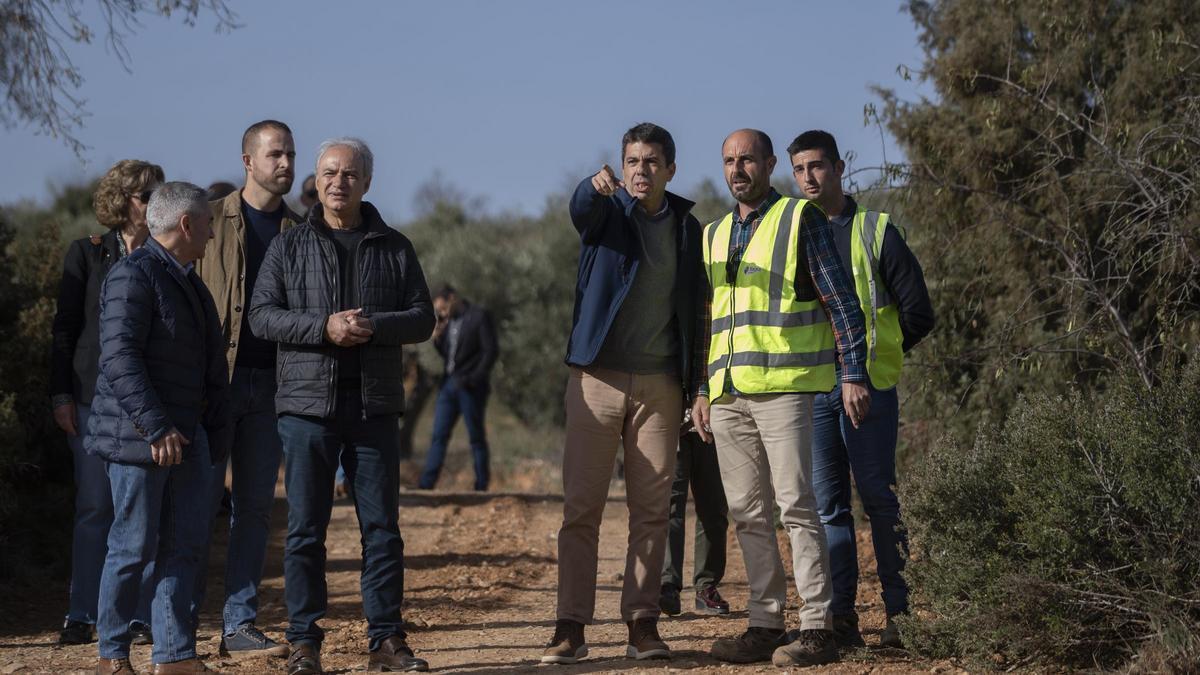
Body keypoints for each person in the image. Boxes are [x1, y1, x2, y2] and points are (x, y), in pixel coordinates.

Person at [249, 137, 434, 675]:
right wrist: (324, 328)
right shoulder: (288, 246)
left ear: (366, 182)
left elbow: (423, 318)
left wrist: (374, 326)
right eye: (329, 173)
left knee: (382, 531)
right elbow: (262, 316)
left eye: (349, 174)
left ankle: (386, 641)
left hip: (374, 409)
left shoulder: (395, 246)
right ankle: (304, 641)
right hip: (307, 412)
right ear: (317, 179)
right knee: (306, 530)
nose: (338, 182)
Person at [691, 129, 869, 667]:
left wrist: (853, 373)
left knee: (797, 506)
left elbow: (843, 303)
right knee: (745, 511)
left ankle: (818, 627)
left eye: (747, 159)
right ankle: (766, 623)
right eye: (728, 160)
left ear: (769, 164)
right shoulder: (713, 234)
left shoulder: (799, 220)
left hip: (788, 391)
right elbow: (708, 322)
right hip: (727, 394)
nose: (736, 168)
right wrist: (701, 389)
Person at [542, 123, 705, 665]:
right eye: (632, 160)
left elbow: (697, 315)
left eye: (651, 161)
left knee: (652, 511)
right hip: (596, 381)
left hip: (660, 386)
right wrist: (594, 185)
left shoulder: (688, 229)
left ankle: (642, 623)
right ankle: (570, 627)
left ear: (670, 169)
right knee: (581, 508)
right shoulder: (607, 214)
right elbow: (579, 209)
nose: (640, 170)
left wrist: (696, 385)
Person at [787, 130, 935, 649]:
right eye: (800, 169)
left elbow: (919, 311)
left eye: (818, 167)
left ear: (839, 167)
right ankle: (842, 620)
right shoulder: (792, 232)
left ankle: (901, 616)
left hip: (867, 391)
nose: (809, 177)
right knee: (828, 508)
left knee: (879, 502)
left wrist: (875, 362)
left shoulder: (876, 230)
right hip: (814, 393)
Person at [88, 181, 230, 675]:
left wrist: (212, 429)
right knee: (131, 548)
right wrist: (155, 427)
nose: (213, 234)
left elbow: (208, 363)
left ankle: (173, 656)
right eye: (208, 223)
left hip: (187, 438)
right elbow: (120, 358)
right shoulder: (133, 275)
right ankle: (112, 654)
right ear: (186, 225)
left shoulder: (189, 281)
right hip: (141, 442)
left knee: (183, 545)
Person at [194, 119, 302, 658]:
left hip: (273, 389)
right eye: (275, 154)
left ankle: (238, 626)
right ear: (248, 162)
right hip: (213, 387)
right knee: (197, 503)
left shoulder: (303, 233)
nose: (286, 164)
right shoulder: (206, 222)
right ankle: (177, 629)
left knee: (256, 509)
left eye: (291, 155)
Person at [51, 160, 163, 647]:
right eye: (145, 196)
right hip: (88, 400)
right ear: (123, 202)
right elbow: (64, 330)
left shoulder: (167, 257)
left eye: (159, 195)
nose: (152, 204)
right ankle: (82, 612)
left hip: (146, 406)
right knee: (95, 507)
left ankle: (137, 615)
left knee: (143, 513)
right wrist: (60, 395)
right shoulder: (87, 254)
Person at [418, 285, 499, 491]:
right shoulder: (447, 323)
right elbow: (448, 355)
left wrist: (474, 379)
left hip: (471, 387)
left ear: (452, 298)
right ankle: (426, 484)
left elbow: (490, 351)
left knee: (476, 436)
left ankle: (481, 484)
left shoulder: (479, 316)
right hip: (448, 385)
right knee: (439, 435)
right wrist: (437, 339)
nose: (442, 313)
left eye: (444, 308)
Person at [658, 414, 730, 617]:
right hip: (671, 422)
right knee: (669, 508)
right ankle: (668, 584)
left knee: (714, 508)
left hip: (711, 424)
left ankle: (706, 585)